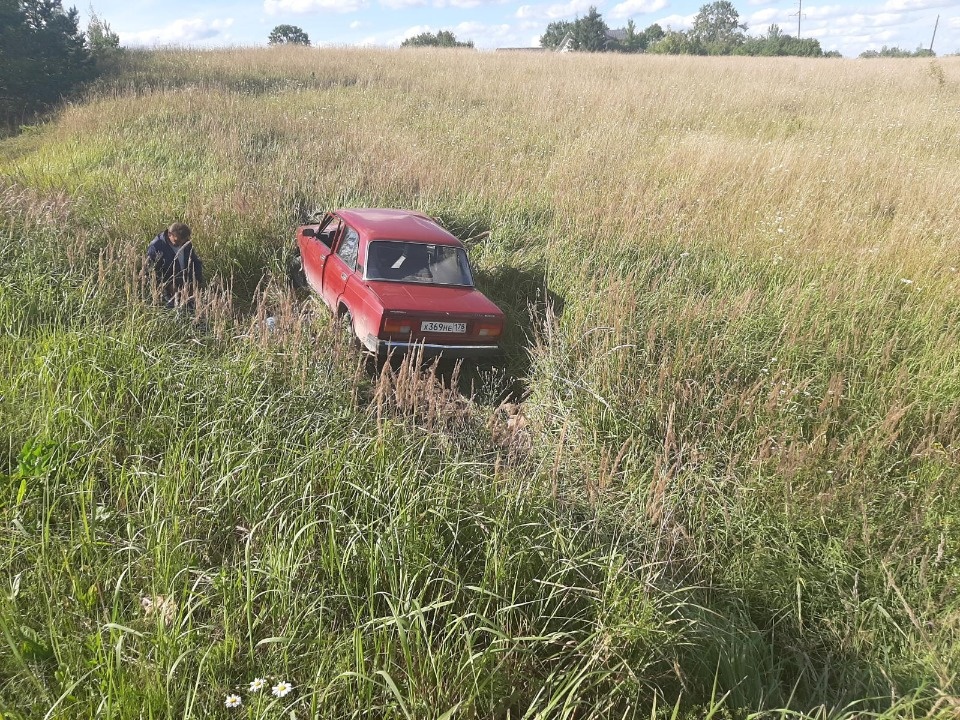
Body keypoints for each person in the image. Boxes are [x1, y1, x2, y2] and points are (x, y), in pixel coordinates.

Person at [146, 222, 203, 309]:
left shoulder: (186, 242)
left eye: (183, 242)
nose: (181, 245)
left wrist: (195, 282)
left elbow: (195, 262)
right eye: (177, 241)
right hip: (167, 292)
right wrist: (168, 285)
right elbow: (152, 271)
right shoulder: (156, 246)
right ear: (169, 234)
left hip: (186, 286)